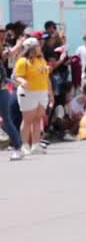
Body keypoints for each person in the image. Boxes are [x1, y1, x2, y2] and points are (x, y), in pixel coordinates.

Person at [14, 37, 52, 155]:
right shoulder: (23, 61)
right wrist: (23, 82)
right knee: (27, 120)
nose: (40, 48)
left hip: (42, 92)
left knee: (37, 119)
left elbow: (46, 77)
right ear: (31, 48)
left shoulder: (41, 60)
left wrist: (50, 93)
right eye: (37, 46)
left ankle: (35, 145)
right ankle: (25, 145)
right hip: (28, 92)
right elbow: (17, 76)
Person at [1, 25, 24, 160]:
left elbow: (9, 53)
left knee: (6, 119)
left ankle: (17, 147)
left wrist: (19, 44)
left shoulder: (2, 49)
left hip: (1, 88)